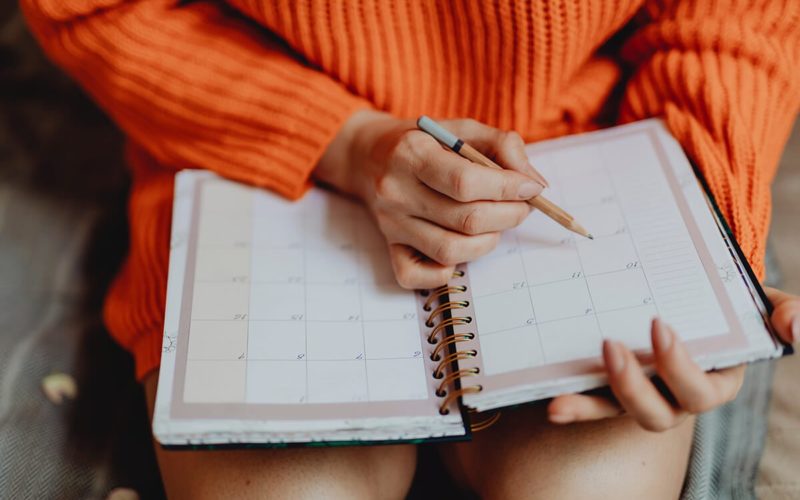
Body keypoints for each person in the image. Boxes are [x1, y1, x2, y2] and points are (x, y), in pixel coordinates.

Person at [21, 0, 800, 498]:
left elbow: (735, 21)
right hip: (255, 153)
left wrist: (704, 243)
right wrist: (347, 141)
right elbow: (99, 10)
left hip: (580, 147)